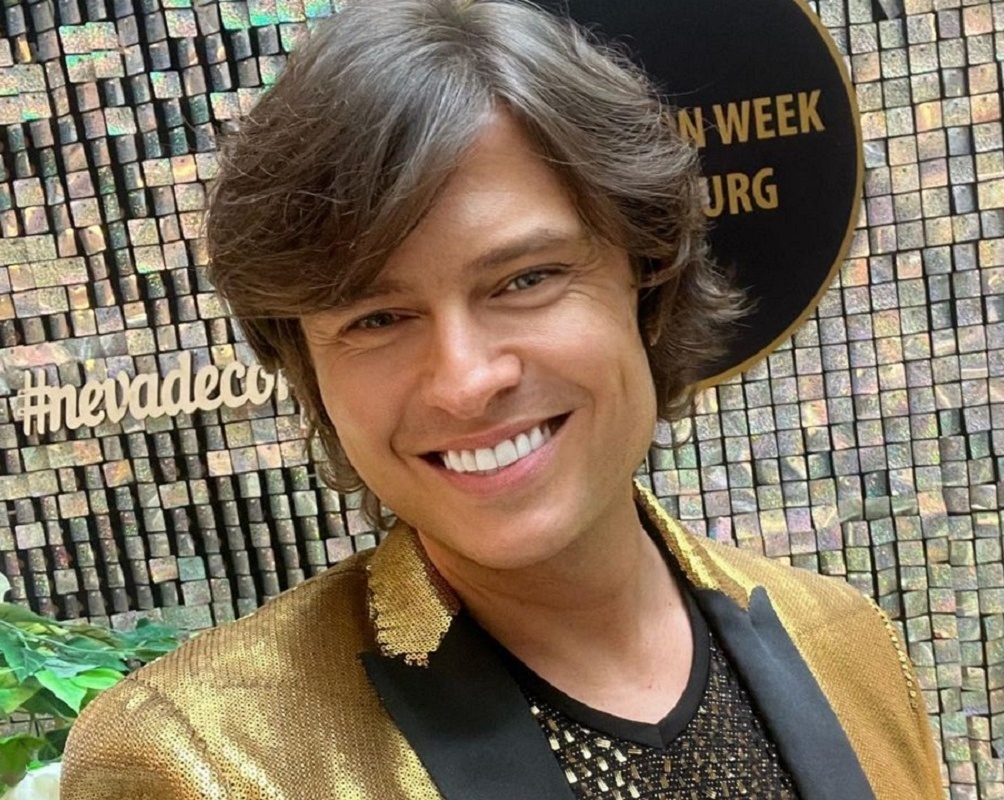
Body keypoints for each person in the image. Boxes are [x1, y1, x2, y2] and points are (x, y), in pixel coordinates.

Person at [61, 1, 943, 798]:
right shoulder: (195, 759)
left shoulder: (847, 641)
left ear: (645, 280)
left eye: (525, 279)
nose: (465, 380)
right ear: (308, 369)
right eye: (377, 318)